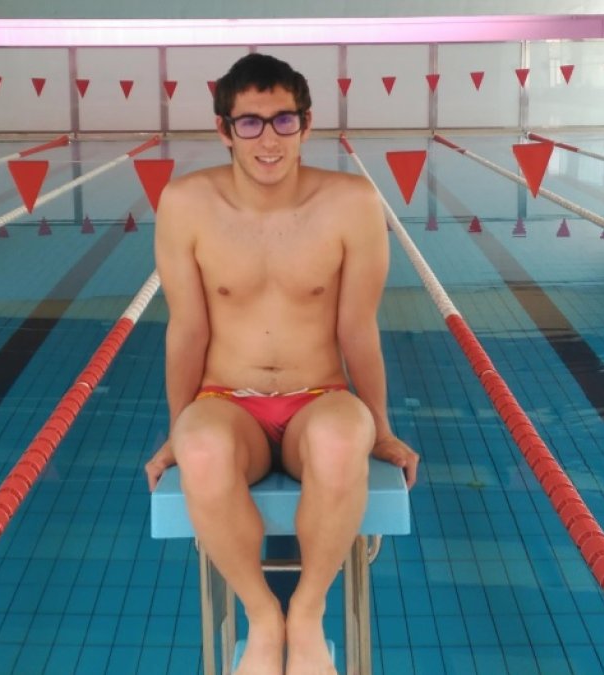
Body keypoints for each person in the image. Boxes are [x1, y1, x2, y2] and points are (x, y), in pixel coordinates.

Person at [144, 53, 419, 675]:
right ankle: (263, 615)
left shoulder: (351, 201)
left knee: (346, 431)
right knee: (202, 448)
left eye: (283, 120)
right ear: (223, 130)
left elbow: (358, 329)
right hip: (224, 401)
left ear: (306, 123)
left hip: (318, 393)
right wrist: (175, 432)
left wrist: (384, 425)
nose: (268, 139)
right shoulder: (187, 204)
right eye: (250, 123)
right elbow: (186, 329)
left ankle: (309, 612)